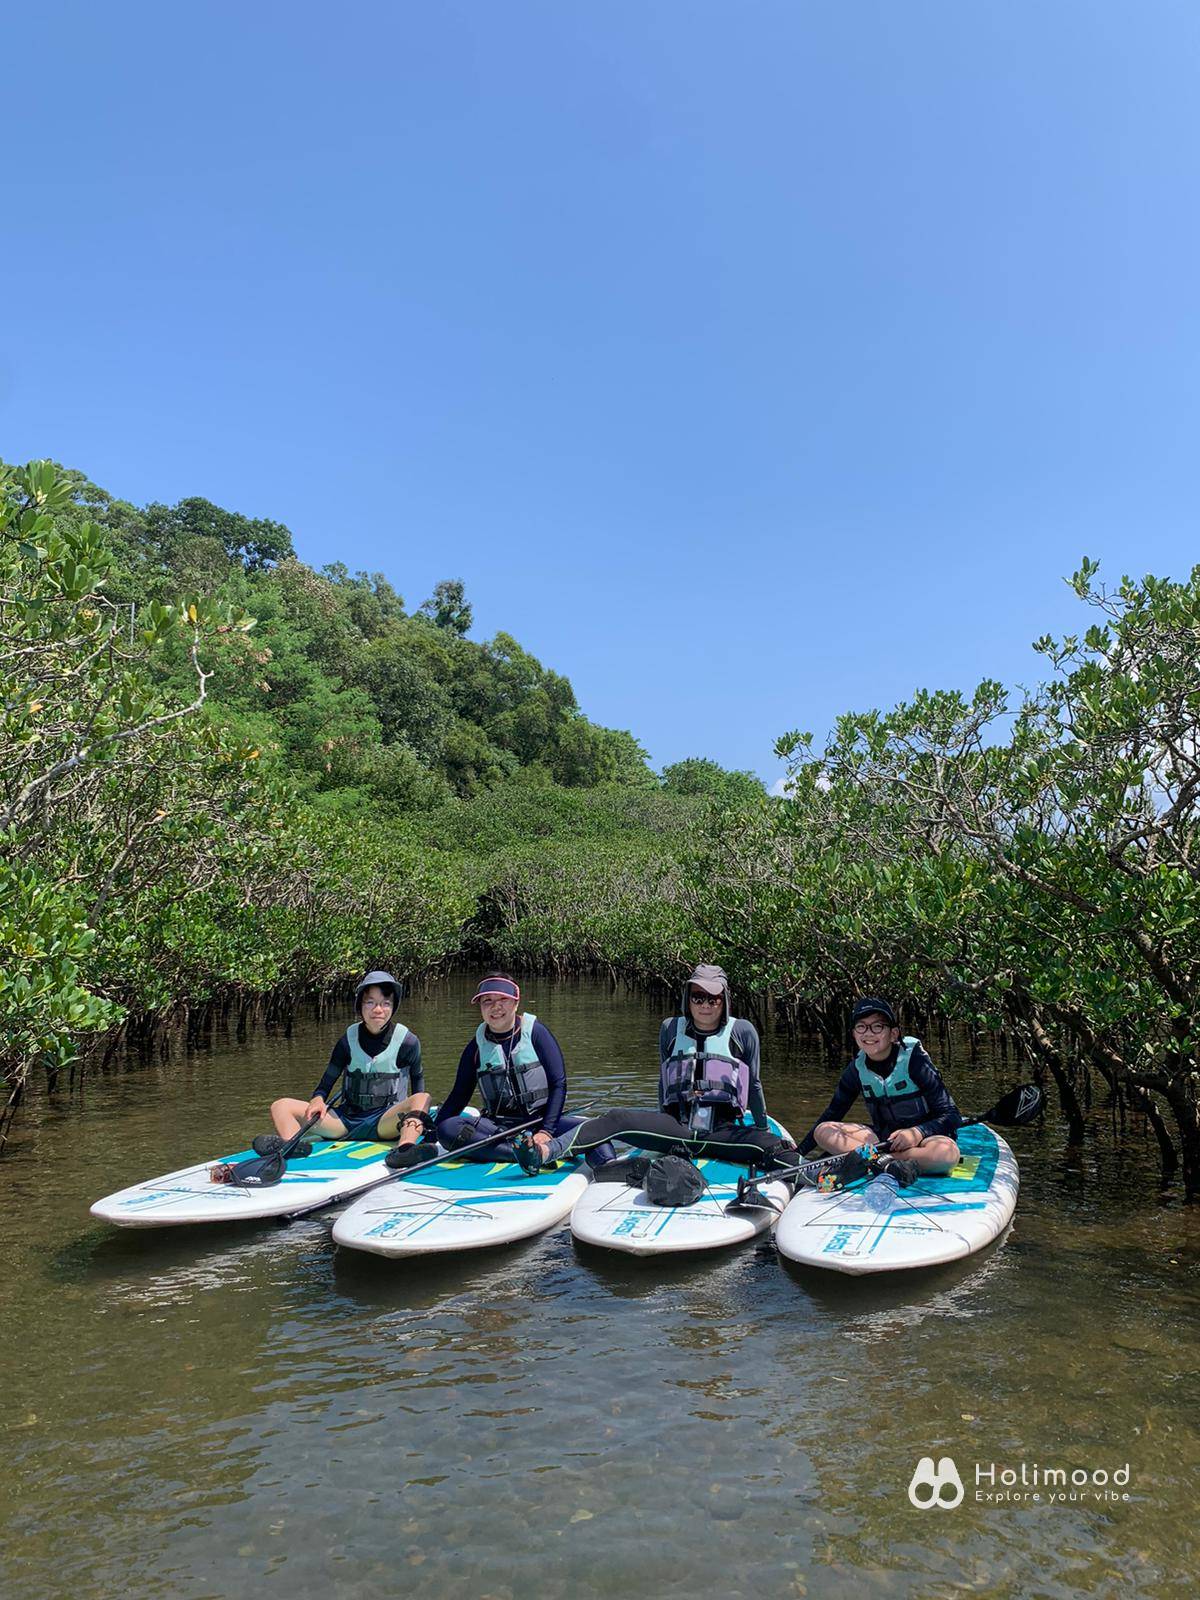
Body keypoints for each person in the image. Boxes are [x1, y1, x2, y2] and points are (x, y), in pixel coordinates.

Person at [527, 963, 794, 1175]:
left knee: (774, 1147)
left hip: (722, 1132)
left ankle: (823, 1176)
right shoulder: (669, 1029)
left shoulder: (742, 1031)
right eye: (698, 997)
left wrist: (762, 1127)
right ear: (688, 998)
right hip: (678, 1129)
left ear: (724, 1001)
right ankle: (546, 1152)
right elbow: (664, 1083)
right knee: (616, 1117)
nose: (705, 1005)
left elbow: (755, 1086)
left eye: (713, 999)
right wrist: (662, 1126)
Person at [433, 972, 615, 1170]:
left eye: (503, 999)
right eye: (487, 1001)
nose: (496, 1007)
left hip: (543, 1123)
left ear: (516, 1003)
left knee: (597, 1132)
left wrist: (546, 1131)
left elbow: (558, 1084)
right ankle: (524, 1155)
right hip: (498, 1128)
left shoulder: (537, 1033)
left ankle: (608, 1168)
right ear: (481, 1007)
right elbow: (460, 1094)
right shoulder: (475, 1047)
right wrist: (433, 1134)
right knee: (448, 1129)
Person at [254, 970, 434, 1165]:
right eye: (370, 1002)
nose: (378, 1009)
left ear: (393, 1007)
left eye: (385, 1003)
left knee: (423, 1098)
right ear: (360, 1006)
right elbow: (327, 1080)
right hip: (346, 1121)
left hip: (385, 1121)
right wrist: (318, 1098)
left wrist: (418, 1122)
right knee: (281, 1106)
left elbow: (418, 1081)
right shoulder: (347, 1040)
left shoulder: (407, 1041)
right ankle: (291, 1146)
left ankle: (405, 1149)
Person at [798, 996, 961, 1176]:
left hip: (925, 1139)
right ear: (854, 1034)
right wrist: (798, 1154)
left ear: (893, 1034)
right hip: (882, 1140)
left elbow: (952, 1115)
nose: (868, 1033)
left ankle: (870, 1160)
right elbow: (833, 1113)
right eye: (861, 1027)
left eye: (877, 1027)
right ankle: (885, 1163)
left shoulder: (915, 1061)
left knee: (945, 1156)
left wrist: (916, 1133)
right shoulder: (856, 1070)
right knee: (823, 1131)